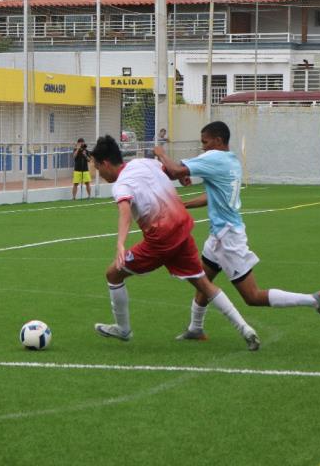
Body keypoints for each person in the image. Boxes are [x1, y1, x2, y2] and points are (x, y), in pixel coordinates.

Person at [152, 121, 320, 344]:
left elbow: (173, 171)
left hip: (227, 239)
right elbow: (213, 196)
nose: (203, 147)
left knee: (252, 296)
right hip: (219, 235)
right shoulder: (232, 161)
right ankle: (195, 328)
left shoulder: (215, 158)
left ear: (218, 141)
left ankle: (313, 300)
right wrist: (185, 204)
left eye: (205, 142)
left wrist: (160, 152)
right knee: (202, 281)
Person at [89, 134, 260, 350]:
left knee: (113, 274)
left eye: (97, 166)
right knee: (203, 284)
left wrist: (120, 244)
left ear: (105, 163)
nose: (99, 173)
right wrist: (180, 178)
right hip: (182, 228)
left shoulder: (121, 184)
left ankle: (123, 329)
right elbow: (167, 170)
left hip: (160, 240)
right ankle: (245, 328)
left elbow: (124, 210)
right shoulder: (143, 163)